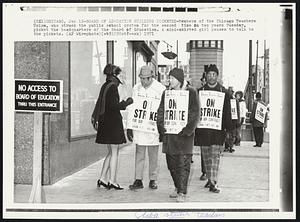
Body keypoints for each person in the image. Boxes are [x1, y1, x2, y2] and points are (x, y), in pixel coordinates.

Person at [157, 68, 200, 202]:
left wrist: (188, 130)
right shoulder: (166, 93)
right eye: (169, 78)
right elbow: (161, 110)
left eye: (172, 78)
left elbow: (195, 112)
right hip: (170, 135)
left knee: (183, 163)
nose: (170, 80)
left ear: (180, 80)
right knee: (171, 163)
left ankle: (182, 191)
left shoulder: (191, 92)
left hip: (184, 135)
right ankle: (177, 186)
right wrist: (160, 126)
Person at [91, 64, 133, 190]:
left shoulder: (105, 85)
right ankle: (112, 181)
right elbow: (114, 106)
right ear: (114, 75)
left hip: (105, 122)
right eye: (120, 75)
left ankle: (102, 178)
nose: (122, 77)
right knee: (115, 152)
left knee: (111, 152)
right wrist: (127, 102)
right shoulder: (113, 87)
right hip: (112, 123)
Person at [194, 64, 232, 193]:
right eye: (209, 74)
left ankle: (213, 182)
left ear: (217, 76)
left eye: (214, 74)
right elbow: (195, 111)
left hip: (218, 130)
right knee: (206, 157)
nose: (211, 77)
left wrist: (228, 130)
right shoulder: (199, 92)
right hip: (203, 130)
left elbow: (228, 112)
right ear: (206, 76)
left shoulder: (224, 92)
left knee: (215, 156)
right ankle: (210, 179)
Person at [126, 66, 165, 190]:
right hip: (139, 126)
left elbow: (163, 109)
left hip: (153, 127)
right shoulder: (136, 88)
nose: (143, 81)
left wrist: (162, 127)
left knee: (153, 154)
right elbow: (131, 108)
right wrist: (129, 127)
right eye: (141, 78)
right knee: (139, 153)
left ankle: (153, 179)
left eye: (146, 79)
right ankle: (138, 179)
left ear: (151, 77)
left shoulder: (160, 89)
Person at [224, 87, 240, 153]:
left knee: (231, 134)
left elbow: (238, 111)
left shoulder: (235, 101)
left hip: (233, 120)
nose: (231, 93)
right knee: (227, 134)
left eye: (232, 92)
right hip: (226, 119)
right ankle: (227, 146)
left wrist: (238, 120)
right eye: (230, 92)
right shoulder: (225, 100)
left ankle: (230, 146)